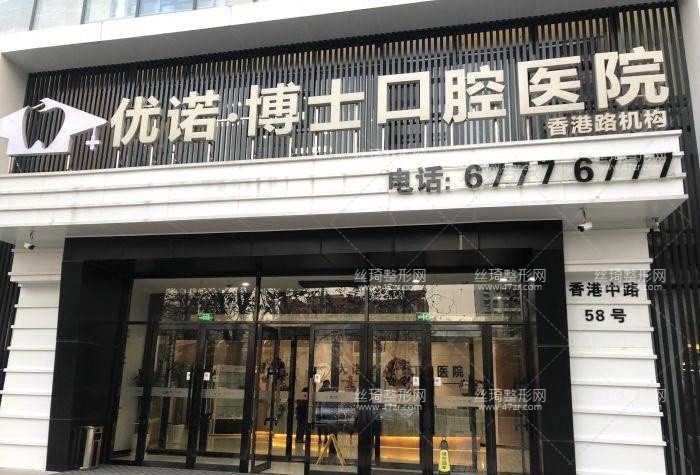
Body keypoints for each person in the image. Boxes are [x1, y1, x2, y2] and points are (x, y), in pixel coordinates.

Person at [317, 380, 332, 445]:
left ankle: (320, 439)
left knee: (320, 425)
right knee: (324, 425)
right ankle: (324, 439)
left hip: (320, 409)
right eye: (328, 384)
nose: (328, 385)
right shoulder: (325, 390)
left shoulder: (320, 390)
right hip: (323, 409)